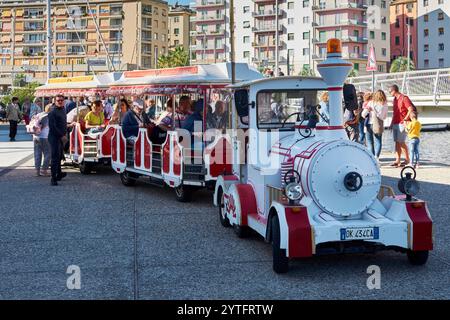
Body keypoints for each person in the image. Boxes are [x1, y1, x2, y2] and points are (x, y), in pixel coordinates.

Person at [389, 84, 414, 167]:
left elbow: (410, 109)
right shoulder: (394, 100)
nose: (389, 93)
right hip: (395, 122)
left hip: (401, 123)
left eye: (390, 91)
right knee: (396, 142)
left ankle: (407, 159)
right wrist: (391, 123)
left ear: (394, 91)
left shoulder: (404, 98)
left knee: (401, 141)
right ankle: (397, 160)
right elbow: (394, 112)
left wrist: (405, 119)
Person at [362, 90, 388, 160]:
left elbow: (363, 115)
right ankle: (376, 157)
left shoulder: (371, 103)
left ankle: (372, 158)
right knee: (378, 141)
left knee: (370, 142)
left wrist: (369, 111)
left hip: (369, 124)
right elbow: (384, 117)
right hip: (378, 125)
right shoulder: (385, 104)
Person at [48, 95, 67, 186]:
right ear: (55, 101)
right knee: (55, 158)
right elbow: (53, 127)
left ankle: (59, 174)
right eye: (58, 100)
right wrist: (61, 135)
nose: (60, 101)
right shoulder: (52, 112)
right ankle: (53, 178)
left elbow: (62, 123)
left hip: (61, 137)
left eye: (61, 100)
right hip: (54, 137)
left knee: (59, 156)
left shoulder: (63, 109)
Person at [33, 105, 51, 177]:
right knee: (48, 153)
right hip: (44, 137)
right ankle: (44, 170)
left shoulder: (39, 114)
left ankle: (37, 171)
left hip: (35, 137)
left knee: (37, 153)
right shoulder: (47, 116)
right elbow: (44, 126)